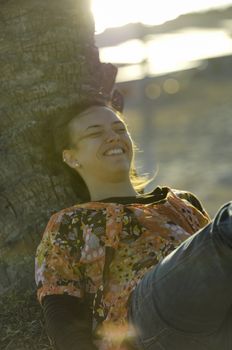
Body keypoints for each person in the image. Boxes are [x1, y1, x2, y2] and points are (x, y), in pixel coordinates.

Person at [35, 101, 232, 350]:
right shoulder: (68, 223)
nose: (113, 137)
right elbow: (62, 316)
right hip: (145, 328)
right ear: (71, 157)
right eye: (96, 132)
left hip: (215, 324)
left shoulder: (183, 202)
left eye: (120, 129)